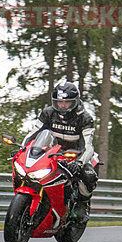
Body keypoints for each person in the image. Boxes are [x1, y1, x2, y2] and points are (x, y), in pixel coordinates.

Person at [21, 80, 98, 222]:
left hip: (77, 154)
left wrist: (80, 162)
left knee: (88, 176)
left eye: (66, 102)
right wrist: (23, 149)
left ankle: (81, 204)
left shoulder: (85, 118)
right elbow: (33, 133)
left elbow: (89, 146)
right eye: (59, 102)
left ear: (74, 101)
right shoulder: (48, 113)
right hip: (52, 152)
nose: (62, 106)